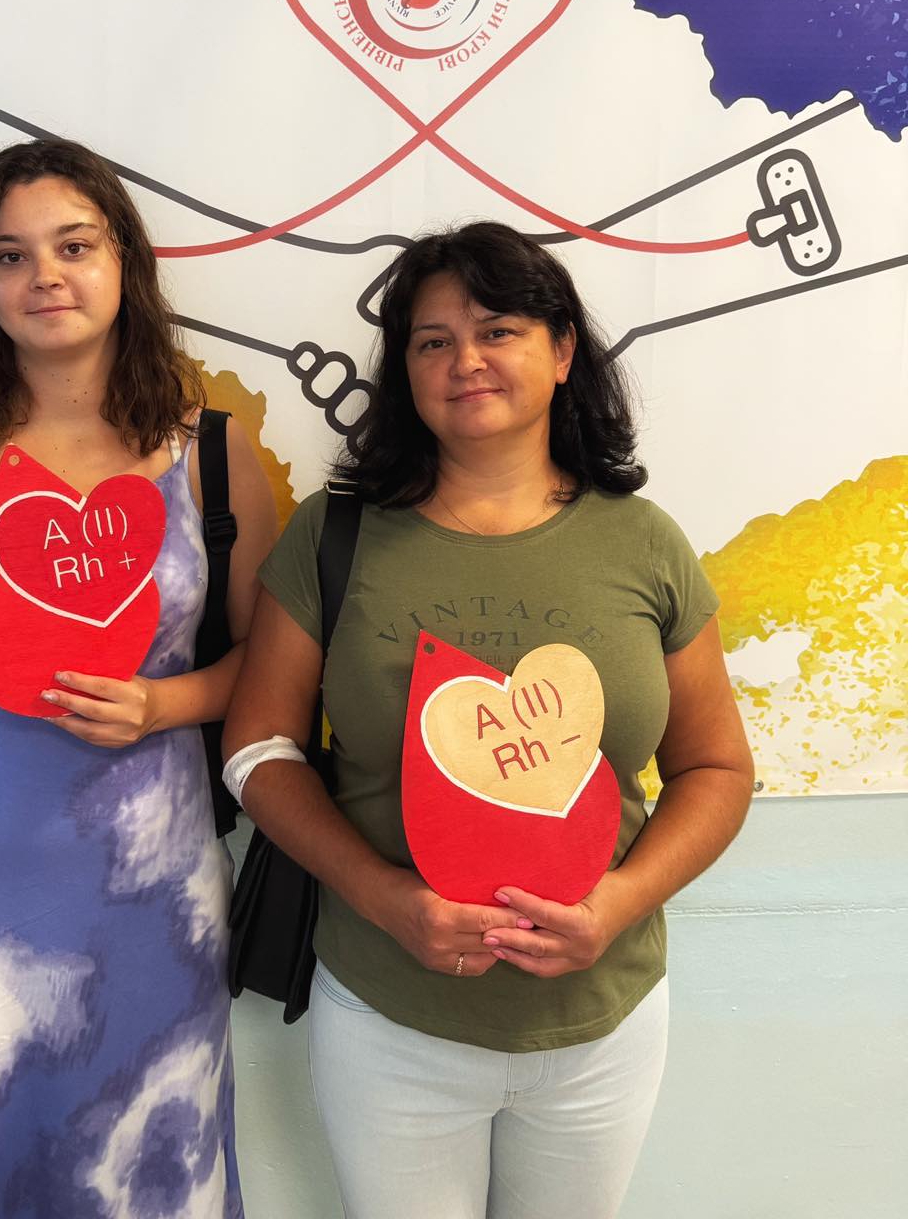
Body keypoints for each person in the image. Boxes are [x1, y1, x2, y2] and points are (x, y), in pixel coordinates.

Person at [223, 221, 754, 1219]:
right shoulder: (336, 535)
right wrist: (386, 899)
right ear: (405, 371)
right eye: (433, 341)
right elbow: (256, 748)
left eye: (498, 330)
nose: (465, 360)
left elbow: (718, 769)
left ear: (563, 352)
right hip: (389, 1020)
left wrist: (618, 903)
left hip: (601, 1026)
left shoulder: (645, 543)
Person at [0, 137, 275, 1217]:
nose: (45, 275)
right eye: (10, 255)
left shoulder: (218, 459)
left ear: (124, 260)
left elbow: (276, 682)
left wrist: (166, 704)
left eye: (74, 246)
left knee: (155, 1177)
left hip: (159, 909)